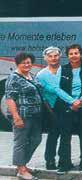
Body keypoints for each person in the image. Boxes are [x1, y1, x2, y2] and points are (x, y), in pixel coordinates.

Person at [54, 45, 82, 173]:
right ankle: (65, 163)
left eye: (76, 53)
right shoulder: (62, 69)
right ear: (67, 56)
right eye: (71, 53)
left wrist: (81, 101)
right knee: (65, 137)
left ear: (81, 54)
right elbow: (57, 88)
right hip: (67, 107)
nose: (74, 55)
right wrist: (72, 102)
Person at [6, 52, 45, 180]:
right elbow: (10, 99)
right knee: (21, 142)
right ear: (17, 64)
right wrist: (16, 117)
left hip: (35, 115)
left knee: (36, 139)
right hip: (22, 115)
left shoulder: (31, 76)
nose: (27, 65)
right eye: (23, 62)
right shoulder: (14, 78)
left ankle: (21, 165)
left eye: (29, 62)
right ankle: (22, 169)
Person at [35, 47, 61, 172]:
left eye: (55, 56)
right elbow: (41, 95)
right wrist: (49, 110)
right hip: (50, 108)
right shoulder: (41, 75)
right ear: (45, 58)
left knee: (66, 135)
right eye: (50, 56)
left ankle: (64, 159)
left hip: (65, 106)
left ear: (60, 57)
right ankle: (50, 160)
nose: (53, 58)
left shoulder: (65, 70)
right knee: (53, 135)